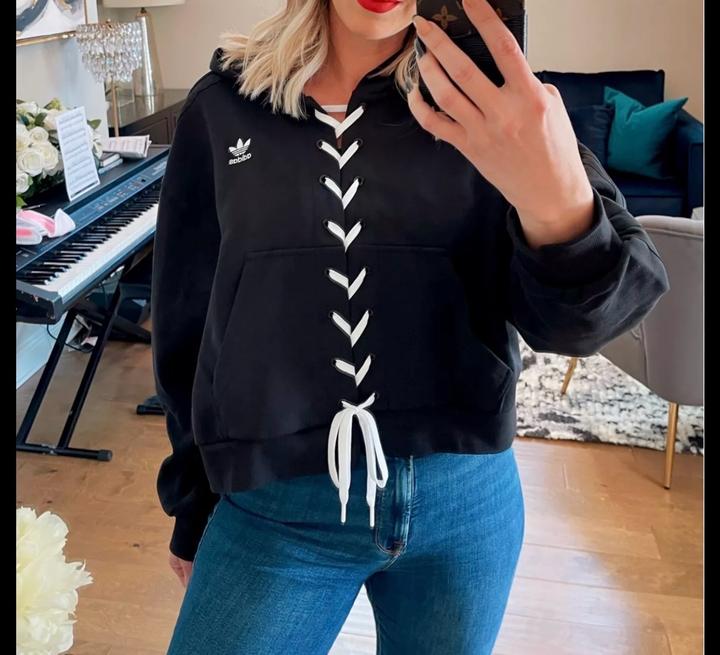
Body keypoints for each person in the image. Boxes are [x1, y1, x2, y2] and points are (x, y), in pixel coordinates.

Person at [151, 0, 669, 652]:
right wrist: (191, 501)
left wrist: (556, 200)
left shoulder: (495, 110)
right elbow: (186, 317)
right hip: (276, 508)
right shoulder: (222, 106)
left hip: (466, 505)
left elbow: (580, 324)